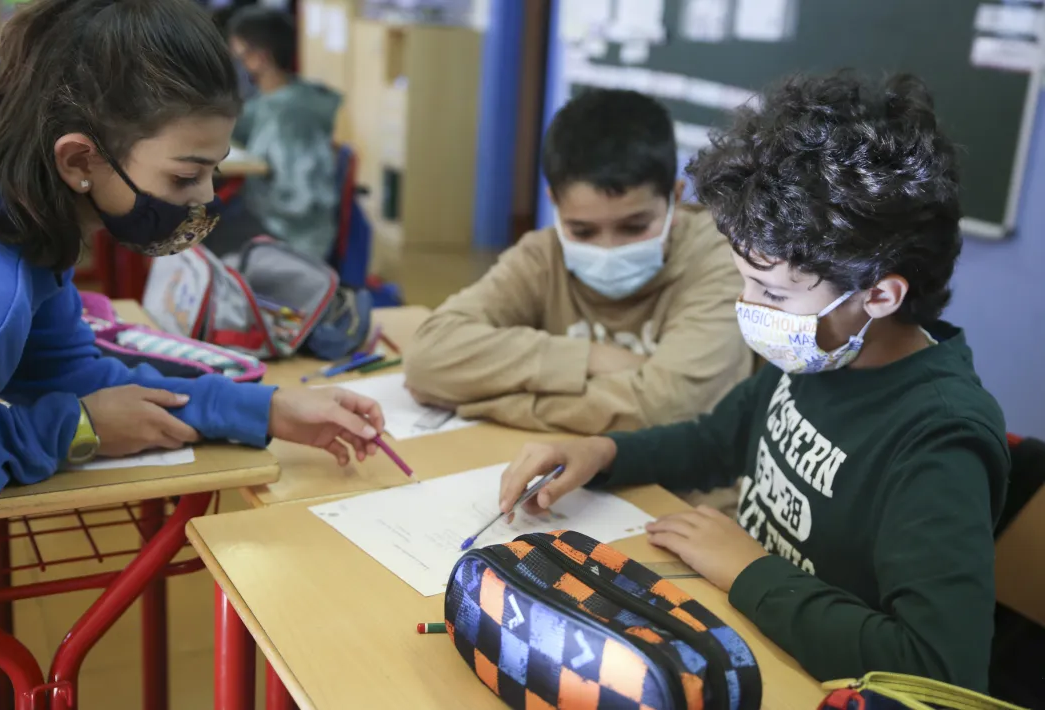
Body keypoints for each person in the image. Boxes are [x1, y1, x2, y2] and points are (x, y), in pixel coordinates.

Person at [496, 73, 1008, 691]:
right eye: (745, 281)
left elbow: (938, 669)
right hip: (749, 631)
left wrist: (749, 571)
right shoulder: (824, 354)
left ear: (878, 294)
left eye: (772, 292)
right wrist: (603, 453)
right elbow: (716, 440)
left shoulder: (938, 439)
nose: (749, 307)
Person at [0, 0, 383, 500]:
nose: (205, 198)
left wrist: (268, 409)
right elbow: (78, 407)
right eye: (185, 176)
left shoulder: (21, 214)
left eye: (213, 172)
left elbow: (69, 376)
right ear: (79, 159)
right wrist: (75, 431)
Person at [404, 89, 750, 450]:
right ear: (554, 203)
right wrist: (592, 357)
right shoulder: (543, 254)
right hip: (569, 473)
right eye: (582, 231)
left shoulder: (723, 260)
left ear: (675, 198)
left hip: (681, 492)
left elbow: (666, 411)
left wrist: (490, 402)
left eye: (634, 227)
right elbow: (428, 358)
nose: (608, 249)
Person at [206, 6, 342, 260]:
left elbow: (302, 200)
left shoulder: (293, 114)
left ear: (260, 57)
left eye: (239, 54)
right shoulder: (272, 100)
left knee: (201, 237)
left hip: (293, 234)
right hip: (268, 216)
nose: (237, 63)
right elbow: (240, 124)